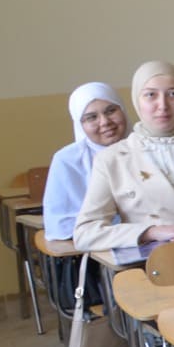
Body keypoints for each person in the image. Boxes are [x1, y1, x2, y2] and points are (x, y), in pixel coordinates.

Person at [74, 61, 174, 252]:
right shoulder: (111, 159)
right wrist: (150, 232)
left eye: (173, 94)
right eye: (150, 95)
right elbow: (85, 233)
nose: (163, 105)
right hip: (155, 262)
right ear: (136, 100)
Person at [45, 82, 128, 242]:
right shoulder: (67, 160)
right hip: (95, 246)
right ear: (80, 124)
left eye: (111, 111)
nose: (105, 122)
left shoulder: (146, 147)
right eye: (91, 117)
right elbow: (62, 224)